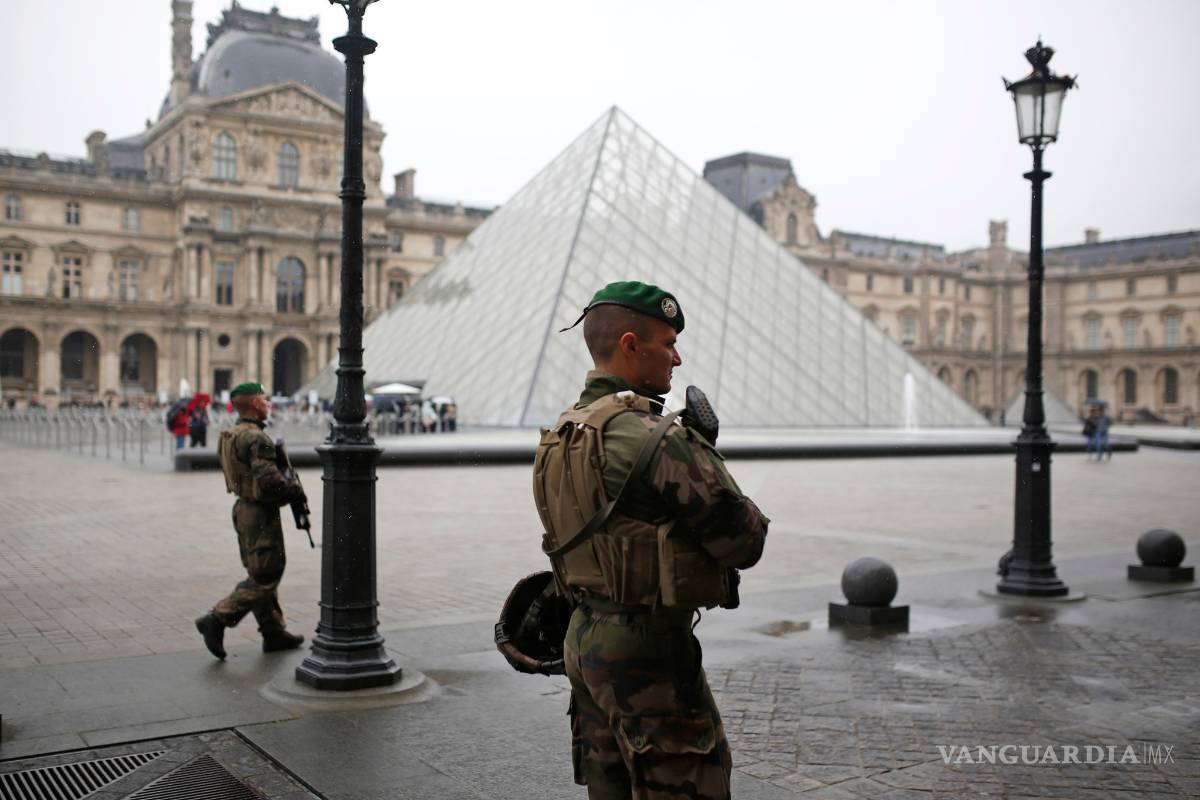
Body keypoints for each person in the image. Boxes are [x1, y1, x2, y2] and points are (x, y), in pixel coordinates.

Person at [534, 281, 769, 800]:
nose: (677, 358)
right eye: (667, 343)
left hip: (585, 639)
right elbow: (745, 541)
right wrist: (704, 453)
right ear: (629, 345)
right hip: (648, 653)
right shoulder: (655, 437)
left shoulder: (563, 433)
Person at [195, 382, 307, 659]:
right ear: (255, 404)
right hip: (259, 513)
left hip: (242, 509)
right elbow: (270, 482)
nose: (268, 404)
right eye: (265, 400)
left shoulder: (230, 435)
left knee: (259, 572)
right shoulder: (257, 438)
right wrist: (294, 490)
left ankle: (273, 633)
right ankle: (217, 618)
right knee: (267, 575)